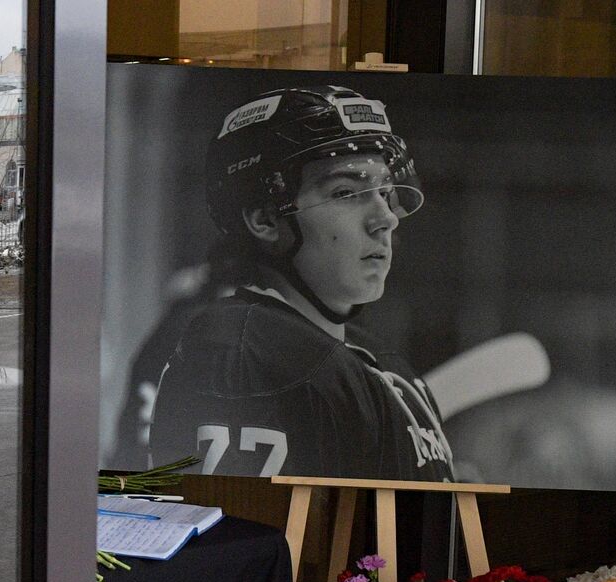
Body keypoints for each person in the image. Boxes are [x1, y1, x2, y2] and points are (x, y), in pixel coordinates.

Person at [147, 85, 455, 482]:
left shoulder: (371, 357)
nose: (386, 218)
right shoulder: (248, 353)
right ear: (265, 219)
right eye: (346, 192)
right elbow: (260, 536)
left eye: (384, 192)